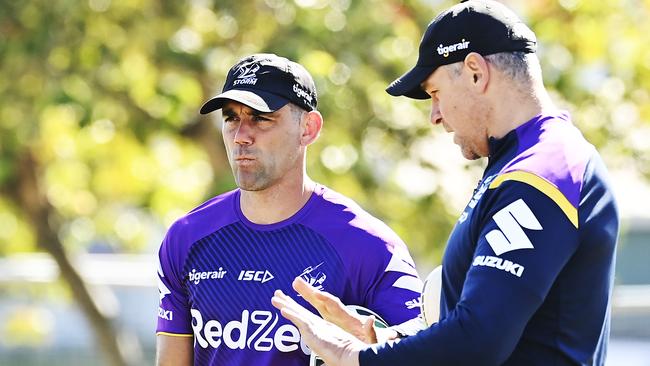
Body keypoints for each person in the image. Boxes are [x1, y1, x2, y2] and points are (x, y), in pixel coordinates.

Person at [271, 1, 620, 365]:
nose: (435, 116)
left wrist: (353, 357)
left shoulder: (541, 173)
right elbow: (497, 326)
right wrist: (384, 338)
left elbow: (478, 340)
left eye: (435, 93)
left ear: (474, 72)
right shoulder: (522, 165)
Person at [154, 53, 423, 366]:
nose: (241, 136)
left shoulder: (369, 245)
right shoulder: (186, 238)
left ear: (308, 128)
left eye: (261, 118)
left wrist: (371, 340)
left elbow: (427, 350)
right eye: (230, 118)